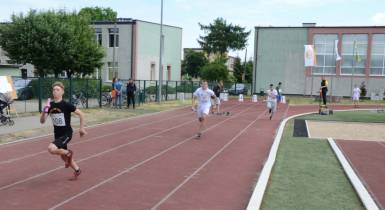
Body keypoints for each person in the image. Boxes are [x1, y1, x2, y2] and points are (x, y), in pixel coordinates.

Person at [40, 82, 87, 180]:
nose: (55, 92)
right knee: (63, 156)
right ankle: (77, 170)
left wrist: (81, 128)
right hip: (57, 134)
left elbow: (81, 114)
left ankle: (68, 153)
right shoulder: (50, 105)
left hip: (66, 134)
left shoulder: (66, 105)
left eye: (58, 90)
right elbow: (42, 121)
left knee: (51, 148)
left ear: (62, 92)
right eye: (54, 90)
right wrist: (45, 109)